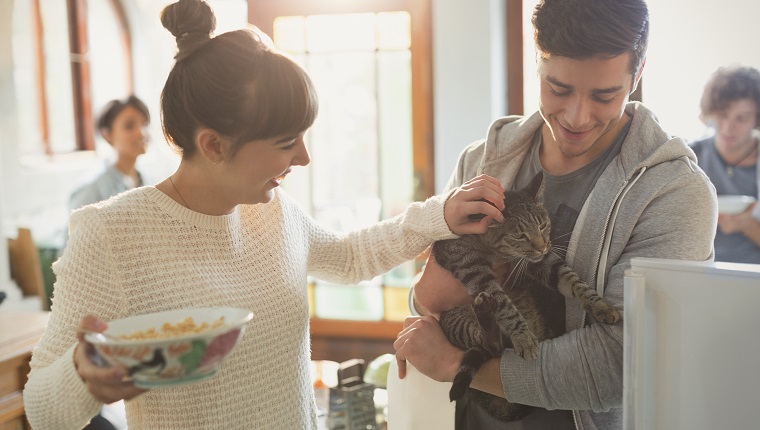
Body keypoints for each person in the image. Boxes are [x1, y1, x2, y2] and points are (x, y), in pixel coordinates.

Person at [22, 1, 506, 429]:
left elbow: (350, 257)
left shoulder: (274, 215)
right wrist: (81, 376)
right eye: (285, 143)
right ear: (213, 144)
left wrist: (440, 214)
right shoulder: (111, 233)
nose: (303, 159)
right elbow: (41, 409)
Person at [393, 0, 717, 429]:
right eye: (558, 88)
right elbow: (431, 303)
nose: (576, 117)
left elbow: (617, 367)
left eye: (604, 95)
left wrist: (453, 365)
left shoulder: (675, 194)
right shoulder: (481, 162)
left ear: (636, 75)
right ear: (537, 62)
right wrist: (422, 297)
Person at [690, 65, 760, 264]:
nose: (729, 127)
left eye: (742, 118)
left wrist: (747, 225)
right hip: (701, 274)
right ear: (711, 112)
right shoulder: (690, 155)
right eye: (722, 115)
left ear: (756, 119)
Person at [70, 95, 151, 211]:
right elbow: (76, 228)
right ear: (107, 135)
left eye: (144, 124)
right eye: (129, 126)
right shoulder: (91, 189)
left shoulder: (148, 182)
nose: (141, 133)